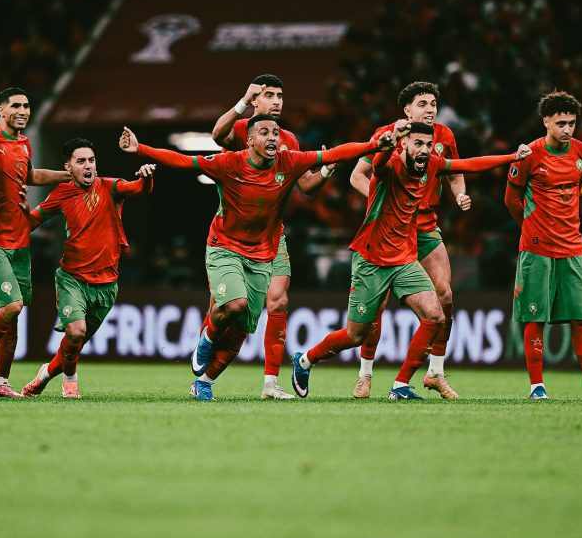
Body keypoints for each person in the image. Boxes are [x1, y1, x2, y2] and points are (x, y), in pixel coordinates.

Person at [119, 115, 394, 401]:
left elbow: (335, 153)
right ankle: (208, 337)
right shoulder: (229, 163)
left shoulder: (289, 162)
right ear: (249, 140)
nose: (273, 137)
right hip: (225, 247)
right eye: (264, 132)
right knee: (234, 304)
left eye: (275, 133)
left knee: (240, 332)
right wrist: (141, 149)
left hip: (262, 256)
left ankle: (204, 382)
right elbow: (183, 161)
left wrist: (373, 145)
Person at [292, 122, 530, 400]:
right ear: (403, 144)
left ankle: (400, 385)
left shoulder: (432, 164)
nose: (425, 150)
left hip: (403, 259)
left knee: (435, 316)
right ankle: (305, 360)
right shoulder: (390, 164)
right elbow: (378, 163)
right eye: (418, 143)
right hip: (371, 259)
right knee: (355, 335)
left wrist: (511, 157)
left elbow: (468, 164)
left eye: (428, 144)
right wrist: (386, 143)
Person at [208, 74, 333, 400]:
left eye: (279, 95)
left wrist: (327, 169)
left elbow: (306, 186)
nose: (276, 101)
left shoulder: (287, 138)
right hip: (232, 236)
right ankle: (205, 351)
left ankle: (270, 383)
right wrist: (241, 102)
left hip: (272, 236)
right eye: (269, 95)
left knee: (279, 300)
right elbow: (217, 134)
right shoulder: (241, 129)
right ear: (255, 100)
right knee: (225, 312)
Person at [348, 81, 468, 399]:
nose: (430, 110)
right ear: (407, 109)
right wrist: (381, 201)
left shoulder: (444, 136)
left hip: (425, 227)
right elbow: (357, 175)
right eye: (422, 104)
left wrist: (460, 193)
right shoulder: (386, 133)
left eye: (433, 104)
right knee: (377, 306)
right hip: (391, 231)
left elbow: (456, 173)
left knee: (445, 295)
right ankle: (365, 374)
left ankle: (435, 372)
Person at [503, 90, 582, 401]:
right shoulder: (529, 154)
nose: (567, 129)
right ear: (546, 121)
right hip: (537, 249)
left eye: (571, 123)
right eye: (561, 123)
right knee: (535, 318)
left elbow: (576, 189)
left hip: (572, 248)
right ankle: (537, 387)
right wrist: (530, 227)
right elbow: (511, 199)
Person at [21, 139, 155, 398]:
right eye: (81, 161)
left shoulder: (110, 187)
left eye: (91, 160)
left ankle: (44, 375)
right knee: (76, 331)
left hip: (106, 284)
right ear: (68, 167)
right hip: (72, 279)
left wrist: (147, 178)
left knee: (75, 343)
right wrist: (21, 215)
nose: (88, 166)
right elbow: (30, 223)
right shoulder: (60, 194)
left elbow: (138, 188)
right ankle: (70, 380)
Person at [0, 88, 69, 398]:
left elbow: (31, 175)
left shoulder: (24, 143)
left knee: (12, 312)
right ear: (1, 109)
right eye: (16, 105)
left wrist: (69, 176)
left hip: (19, 237)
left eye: (26, 105)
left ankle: (2, 383)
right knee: (12, 305)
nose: (23, 110)